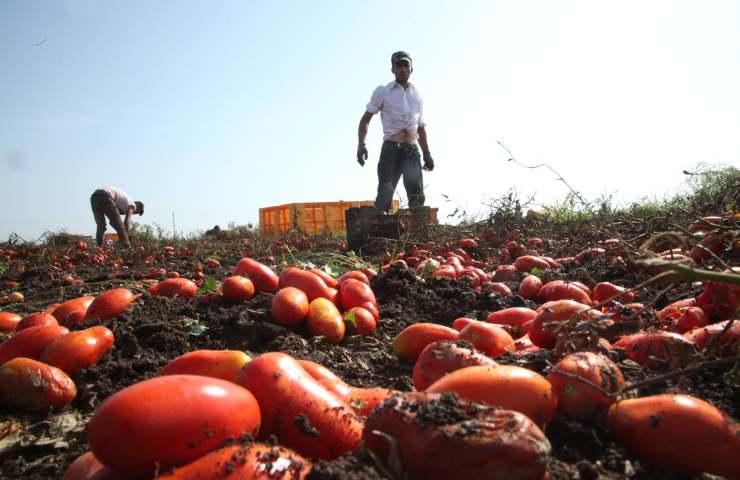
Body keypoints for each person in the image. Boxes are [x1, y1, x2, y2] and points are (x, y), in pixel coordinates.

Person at [357, 50, 434, 213]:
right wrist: (361, 144)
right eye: (399, 65)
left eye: (406, 65)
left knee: (416, 195)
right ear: (393, 69)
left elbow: (420, 127)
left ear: (411, 69)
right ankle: (381, 234)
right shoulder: (383, 91)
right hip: (391, 147)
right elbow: (365, 120)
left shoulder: (417, 96)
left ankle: (418, 233)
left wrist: (427, 153)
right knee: (385, 192)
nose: (402, 69)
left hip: (412, 149)